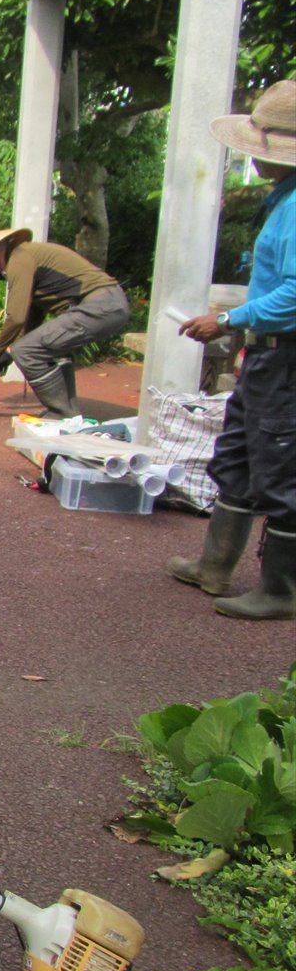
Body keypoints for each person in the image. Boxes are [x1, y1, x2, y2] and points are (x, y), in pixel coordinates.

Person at [169, 79, 296, 621]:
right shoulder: (282, 199)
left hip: (287, 356)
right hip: (266, 355)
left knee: (280, 470)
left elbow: (293, 294)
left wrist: (227, 320)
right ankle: (215, 566)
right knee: (238, 455)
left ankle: (281, 589)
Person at [0, 229, 130, 419]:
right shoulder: (27, 256)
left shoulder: (19, 259)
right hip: (109, 304)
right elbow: (32, 316)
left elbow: (16, 317)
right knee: (46, 348)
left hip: (100, 305)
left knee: (26, 351)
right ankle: (69, 415)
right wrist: (8, 352)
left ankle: (60, 413)